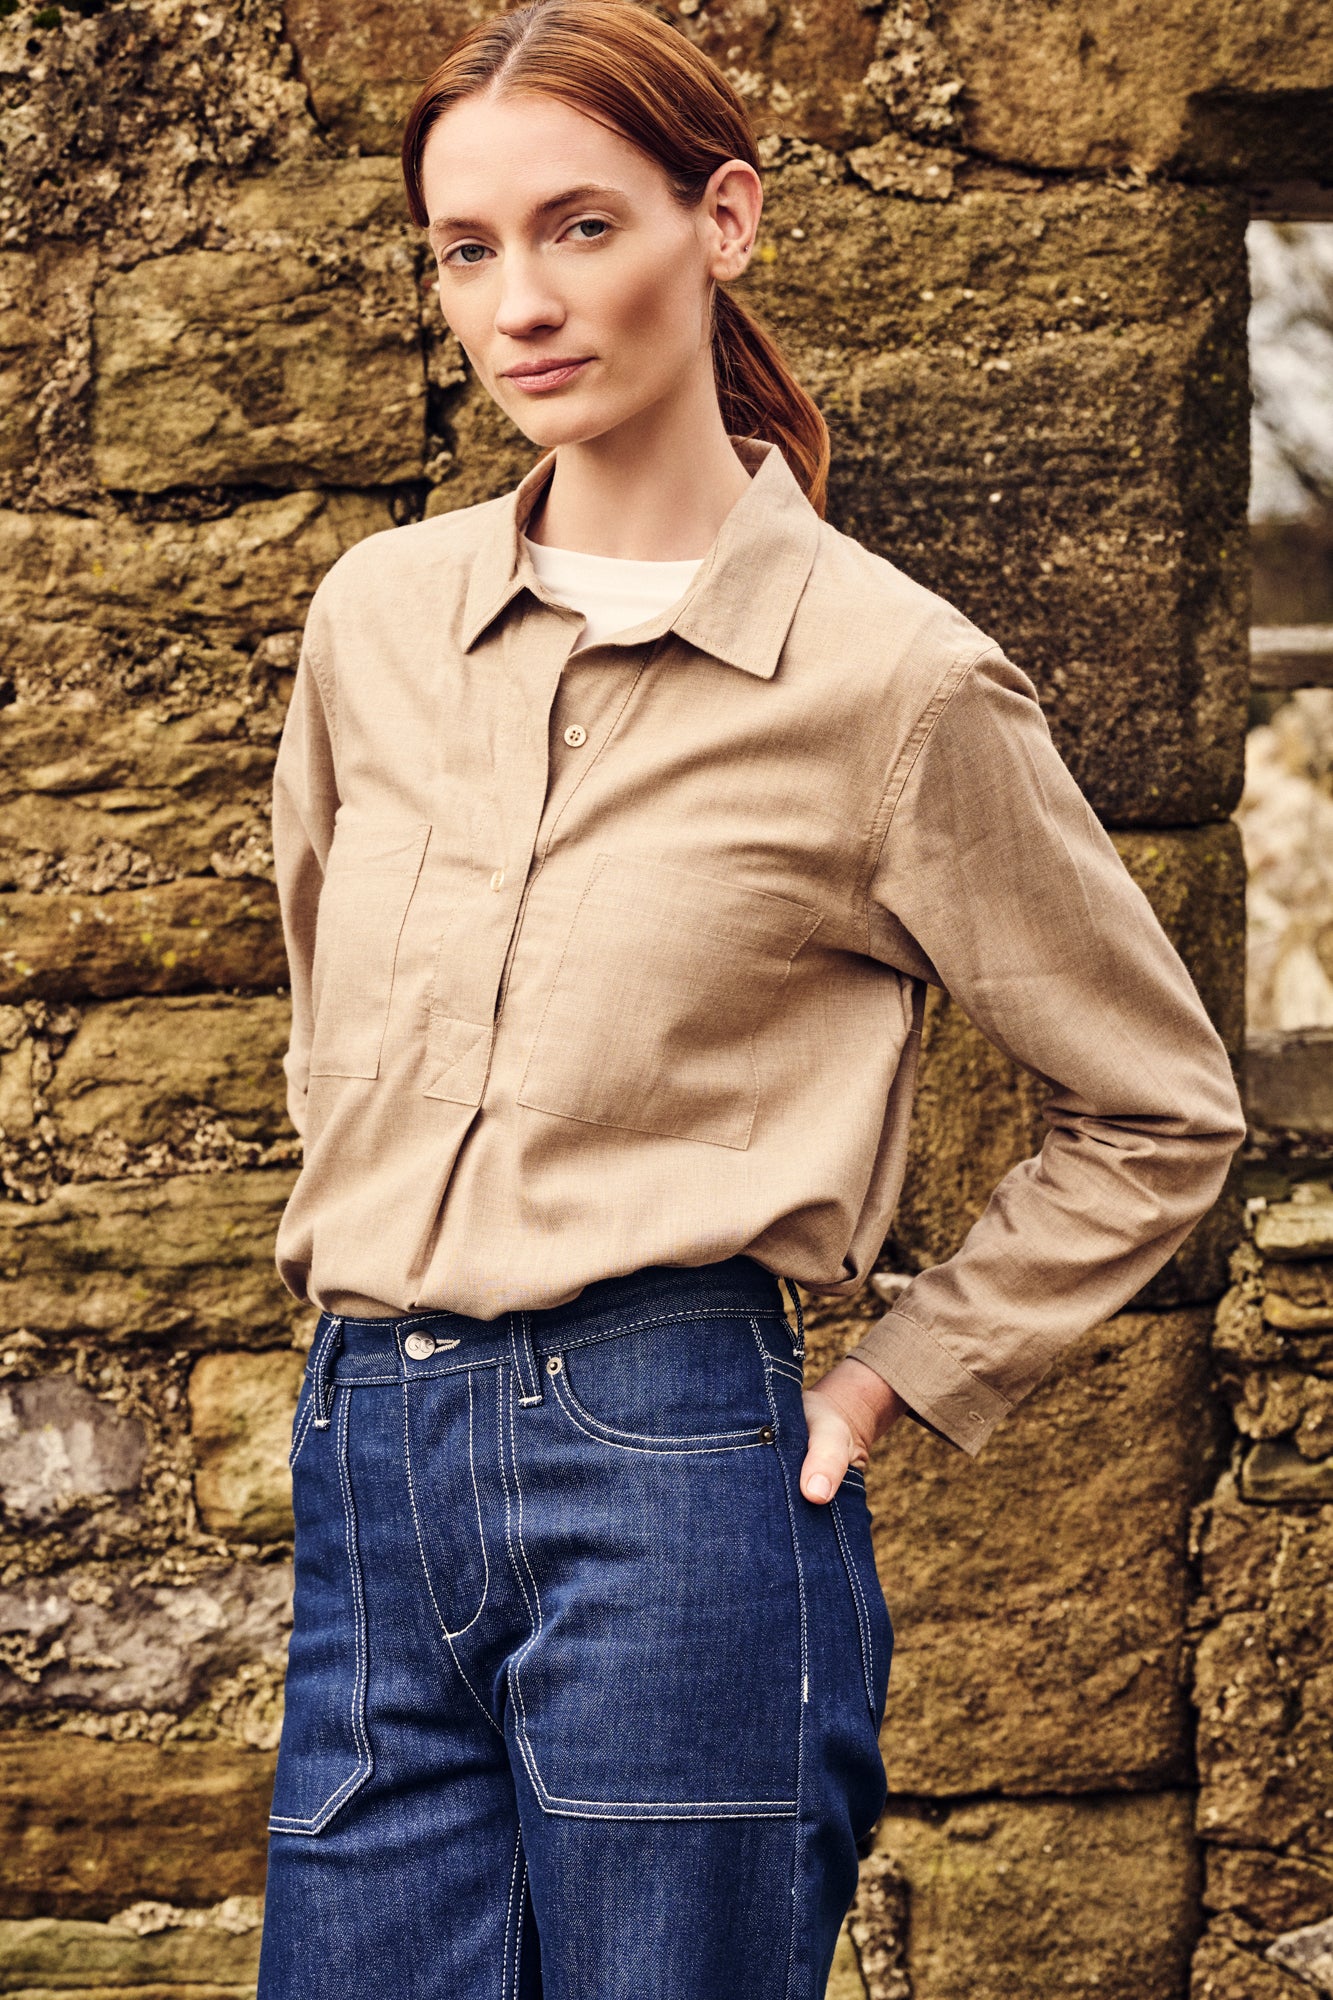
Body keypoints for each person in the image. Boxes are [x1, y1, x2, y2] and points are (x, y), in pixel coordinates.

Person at [256, 1, 1246, 1993]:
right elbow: (323, 1017)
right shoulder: (376, 621)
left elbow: (1155, 1108)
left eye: (579, 227)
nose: (518, 301)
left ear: (724, 221)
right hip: (369, 1444)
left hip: (676, 1472)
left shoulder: (893, 679)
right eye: (467, 250)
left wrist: (898, 1371)